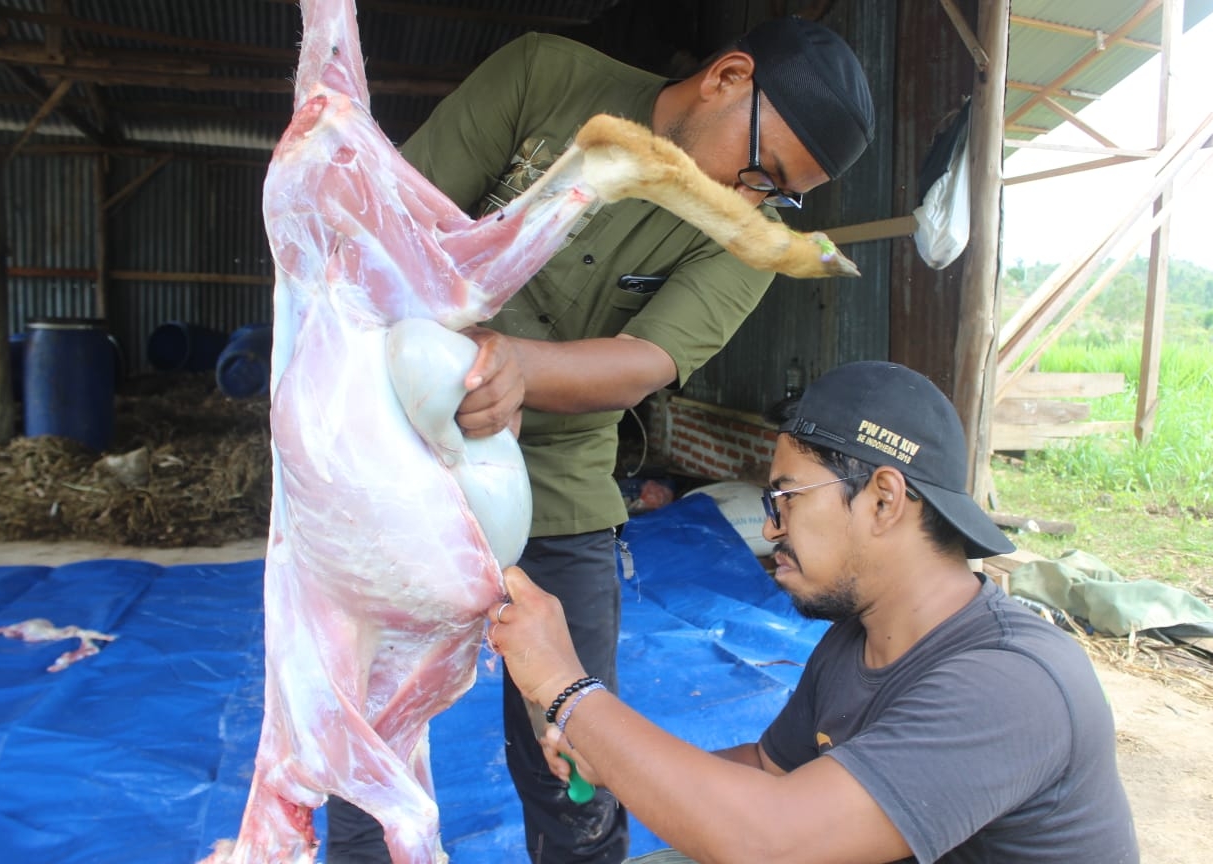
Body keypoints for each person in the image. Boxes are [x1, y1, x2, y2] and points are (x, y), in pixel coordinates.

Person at [325, 15, 876, 864]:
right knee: (372, 738)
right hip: (402, 459)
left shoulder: (746, 233)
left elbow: (643, 360)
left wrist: (516, 367)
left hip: (556, 490)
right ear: (728, 77)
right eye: (761, 168)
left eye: (782, 194)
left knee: (573, 748)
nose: (753, 197)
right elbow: (392, 226)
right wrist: (441, 364)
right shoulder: (544, 79)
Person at [488, 361, 1141, 864]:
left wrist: (566, 689)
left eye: (786, 498)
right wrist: (608, 753)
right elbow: (770, 770)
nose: (771, 529)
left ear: (884, 500)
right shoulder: (857, 642)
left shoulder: (1012, 683)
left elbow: (771, 841)